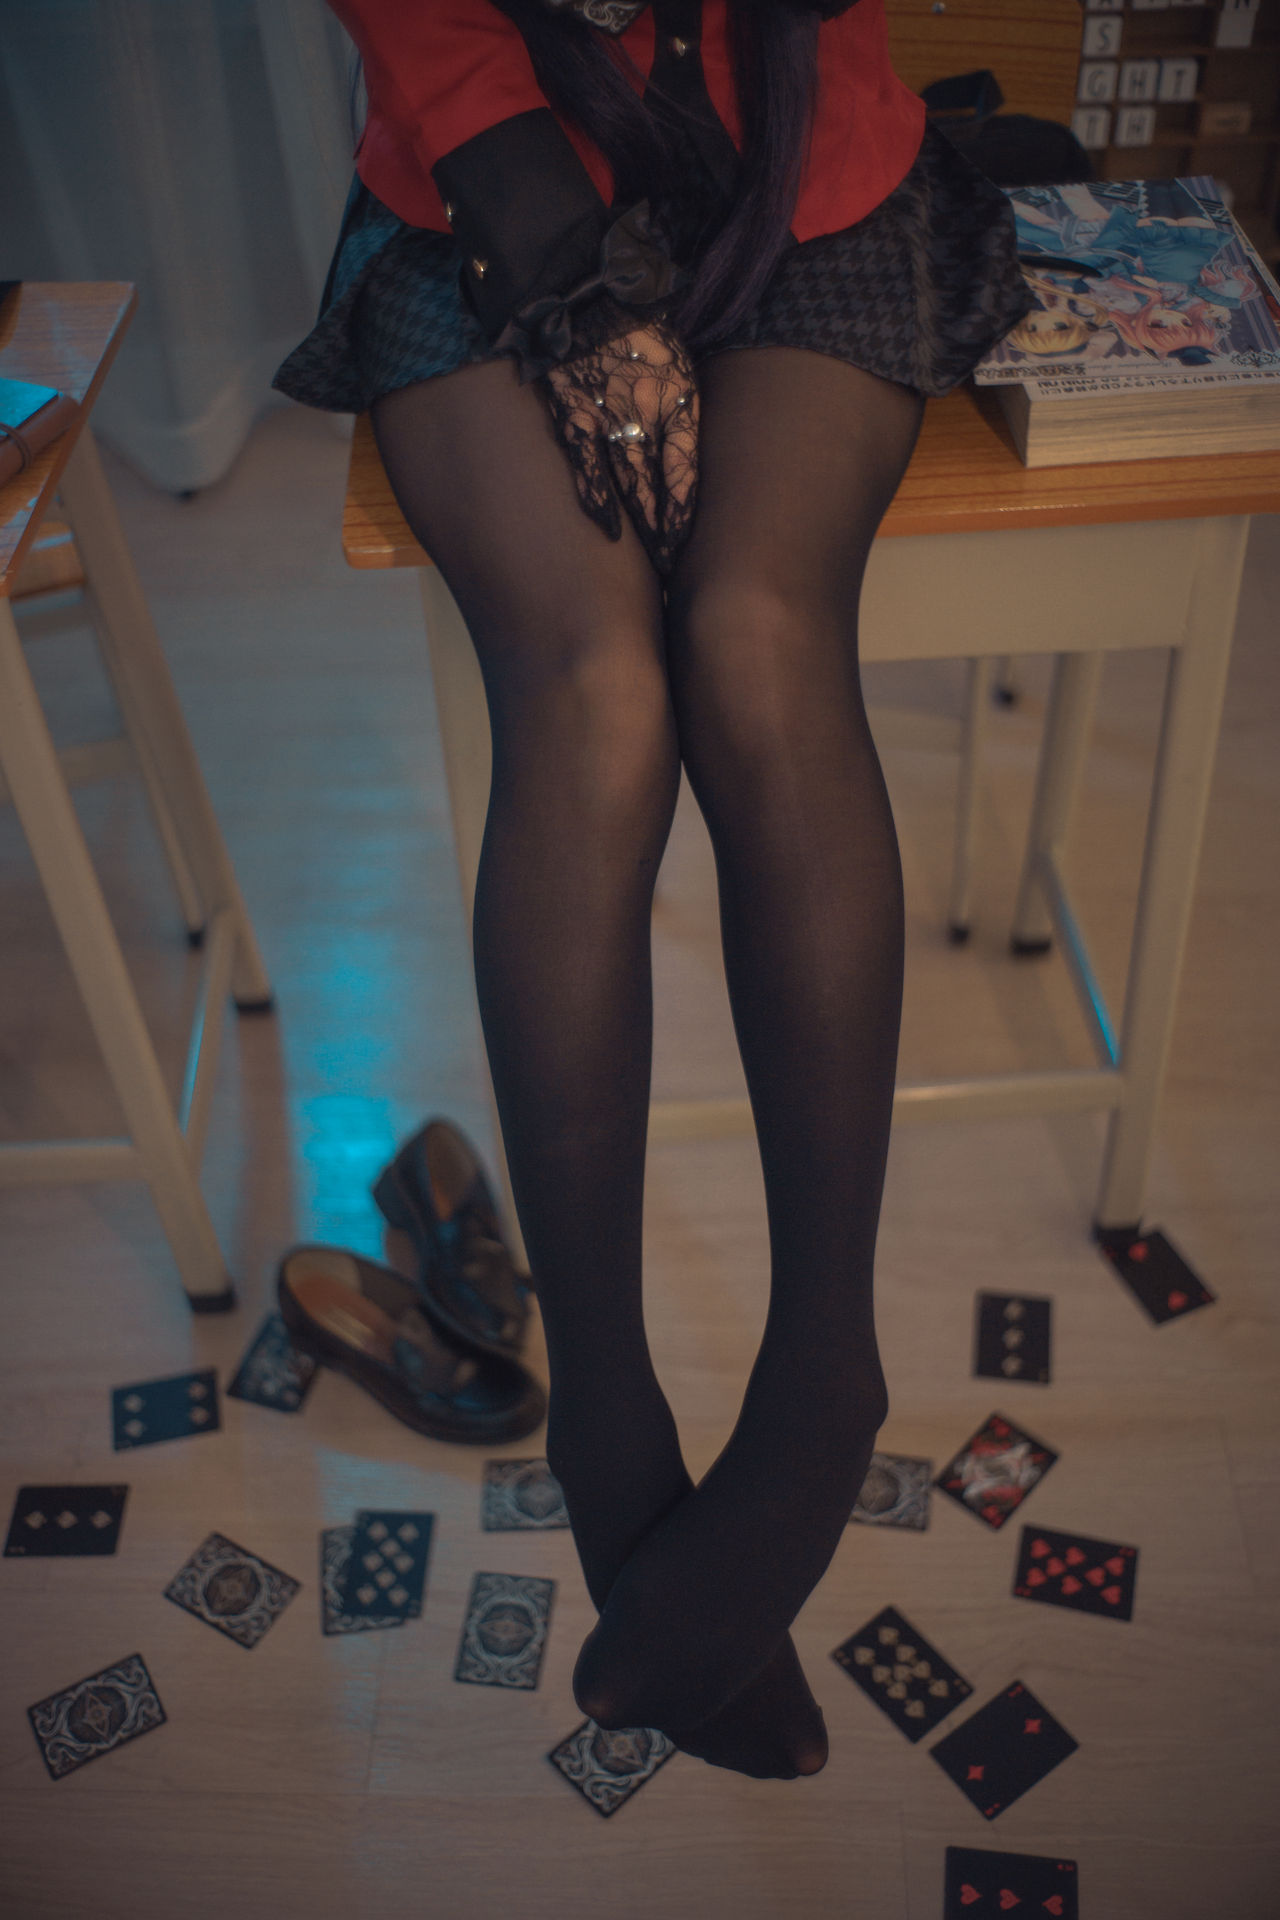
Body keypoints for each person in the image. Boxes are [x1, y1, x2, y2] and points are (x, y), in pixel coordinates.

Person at [274, 0, 1032, 1781]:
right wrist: (558, 273)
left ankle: (825, 1369)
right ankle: (604, 1410)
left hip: (802, 179)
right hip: (486, 180)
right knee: (597, 698)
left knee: (758, 643)